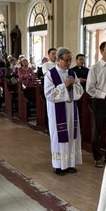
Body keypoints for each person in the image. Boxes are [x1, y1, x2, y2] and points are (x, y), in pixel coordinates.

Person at [44, 47, 83, 175]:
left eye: (70, 60)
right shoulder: (50, 74)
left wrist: (74, 85)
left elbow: (80, 90)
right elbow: (49, 94)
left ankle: (70, 164)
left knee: (71, 135)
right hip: (57, 113)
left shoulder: (72, 73)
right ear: (59, 59)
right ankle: (58, 166)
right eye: (66, 60)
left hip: (71, 110)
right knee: (58, 137)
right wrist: (64, 85)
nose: (69, 63)